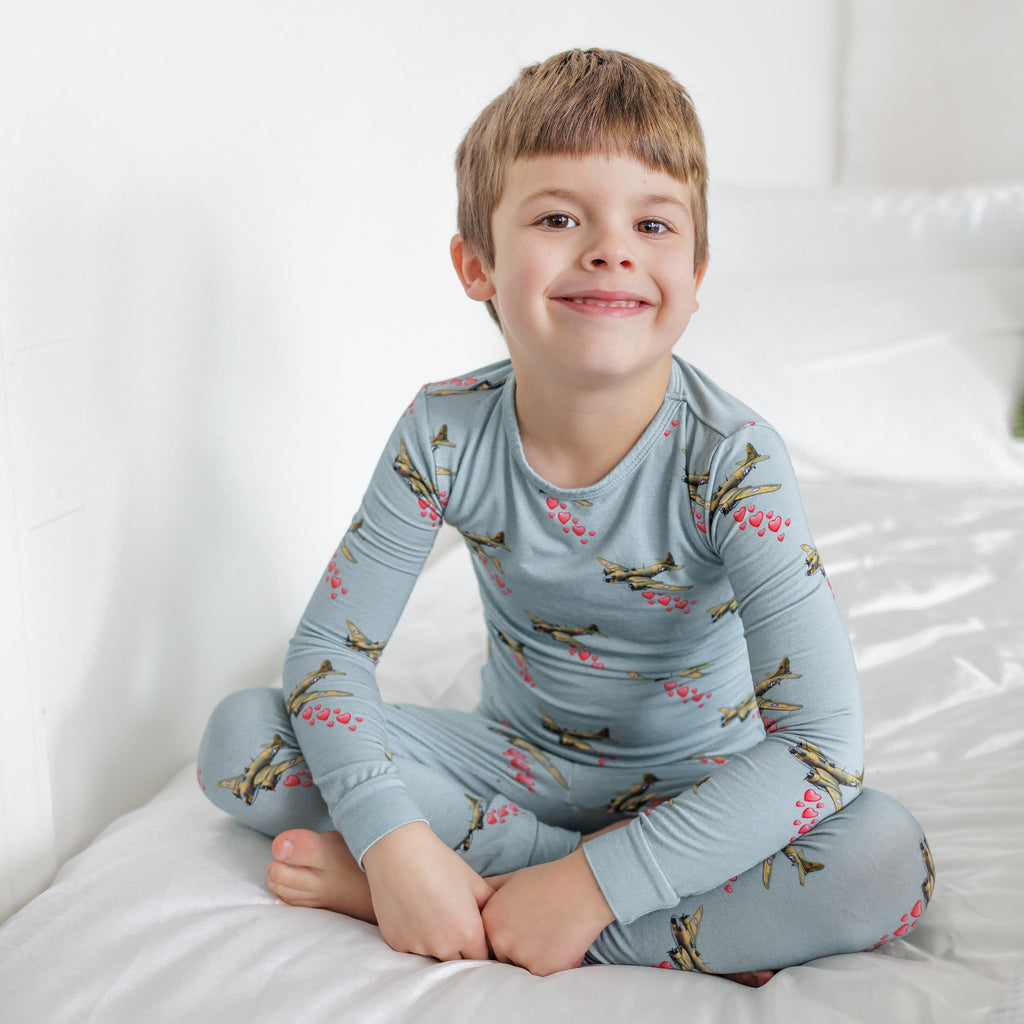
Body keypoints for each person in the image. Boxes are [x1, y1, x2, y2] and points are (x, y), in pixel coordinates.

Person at [198, 48, 933, 984]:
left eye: (653, 223)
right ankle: (479, 885)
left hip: (700, 787)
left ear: (697, 272)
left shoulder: (734, 461)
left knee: (886, 858)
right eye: (556, 217)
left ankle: (499, 900)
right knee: (242, 741)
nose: (611, 249)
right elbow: (329, 657)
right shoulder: (445, 430)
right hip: (515, 762)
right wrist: (392, 842)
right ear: (478, 265)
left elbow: (823, 748)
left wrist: (597, 883)